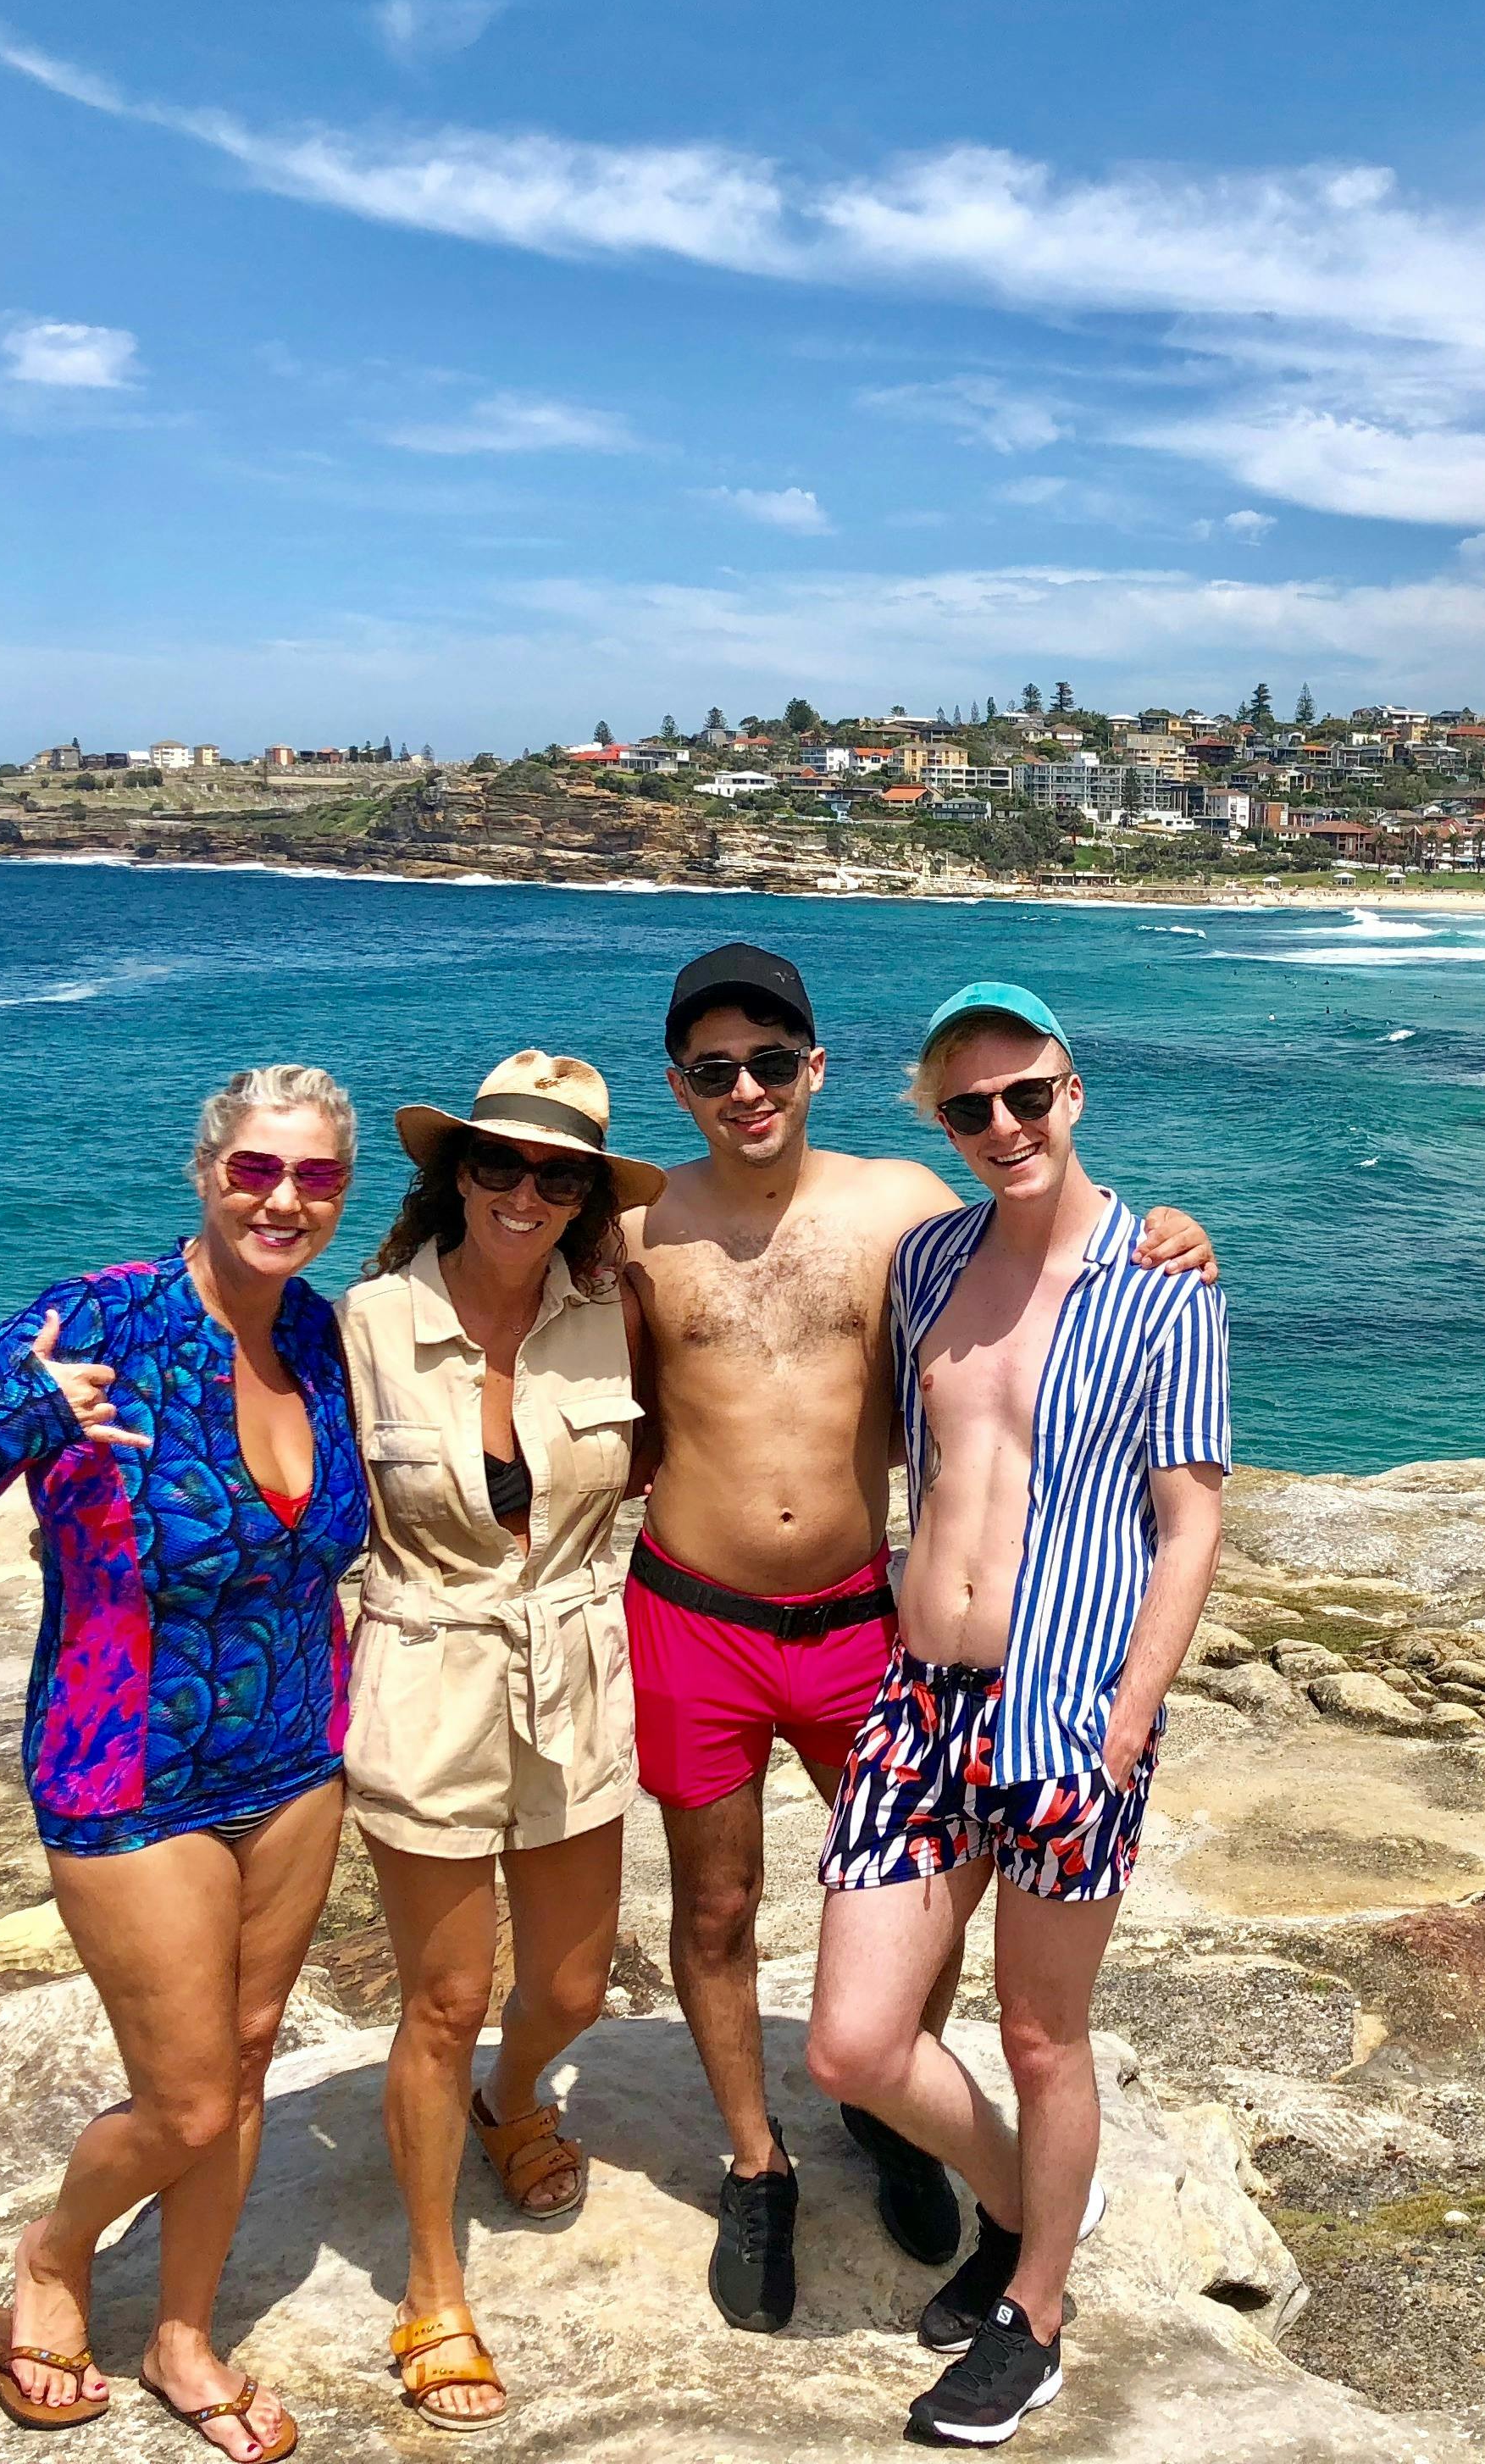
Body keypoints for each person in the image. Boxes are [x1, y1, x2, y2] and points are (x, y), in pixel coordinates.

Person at [616, 942, 1214, 2334]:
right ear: (682, 1088)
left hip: (856, 1621)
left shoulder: (906, 1210)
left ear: (815, 1070)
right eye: (716, 1071)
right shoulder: (639, 1226)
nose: (748, 1089)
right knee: (712, 1906)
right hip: (693, 1610)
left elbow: (1043, 1238)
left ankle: (905, 2112)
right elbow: (519, 1293)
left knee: (913, 1909)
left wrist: (1175, 1228)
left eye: (772, 1062)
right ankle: (757, 2164)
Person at [0, 1065, 369, 2464]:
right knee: (189, 2093)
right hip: (124, 1762)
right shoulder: (90, 1320)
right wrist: (20, 1418)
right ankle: (48, 2258)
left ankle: (183, 2334)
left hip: (294, 1754)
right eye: (255, 1169)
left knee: (253, 2061)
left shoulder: (319, 1338)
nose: (282, 1199)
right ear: (205, 1171)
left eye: (315, 1177)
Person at [804, 982, 1228, 2448]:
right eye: (968, 1108)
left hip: (1069, 1705)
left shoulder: (1165, 1282)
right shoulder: (927, 1260)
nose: (1002, 1127)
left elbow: (1189, 1527)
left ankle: (1035, 2311)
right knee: (854, 2044)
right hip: (919, 1701)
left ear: (1074, 1089)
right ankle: (1033, 2195)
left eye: (1025, 1095)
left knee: (1044, 2035)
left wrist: (1131, 1713)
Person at [339, 1052, 665, 2433]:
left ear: (588, 1195)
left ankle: (513, 2099)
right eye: (498, 1163)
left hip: (579, 1676)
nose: (525, 1191)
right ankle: (432, 2288)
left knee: (577, 1987)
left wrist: (1146, 1236)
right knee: (443, 2002)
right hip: (425, 1678)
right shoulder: (360, 1321)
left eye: (559, 1173)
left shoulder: (617, 1315)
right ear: (451, 1174)